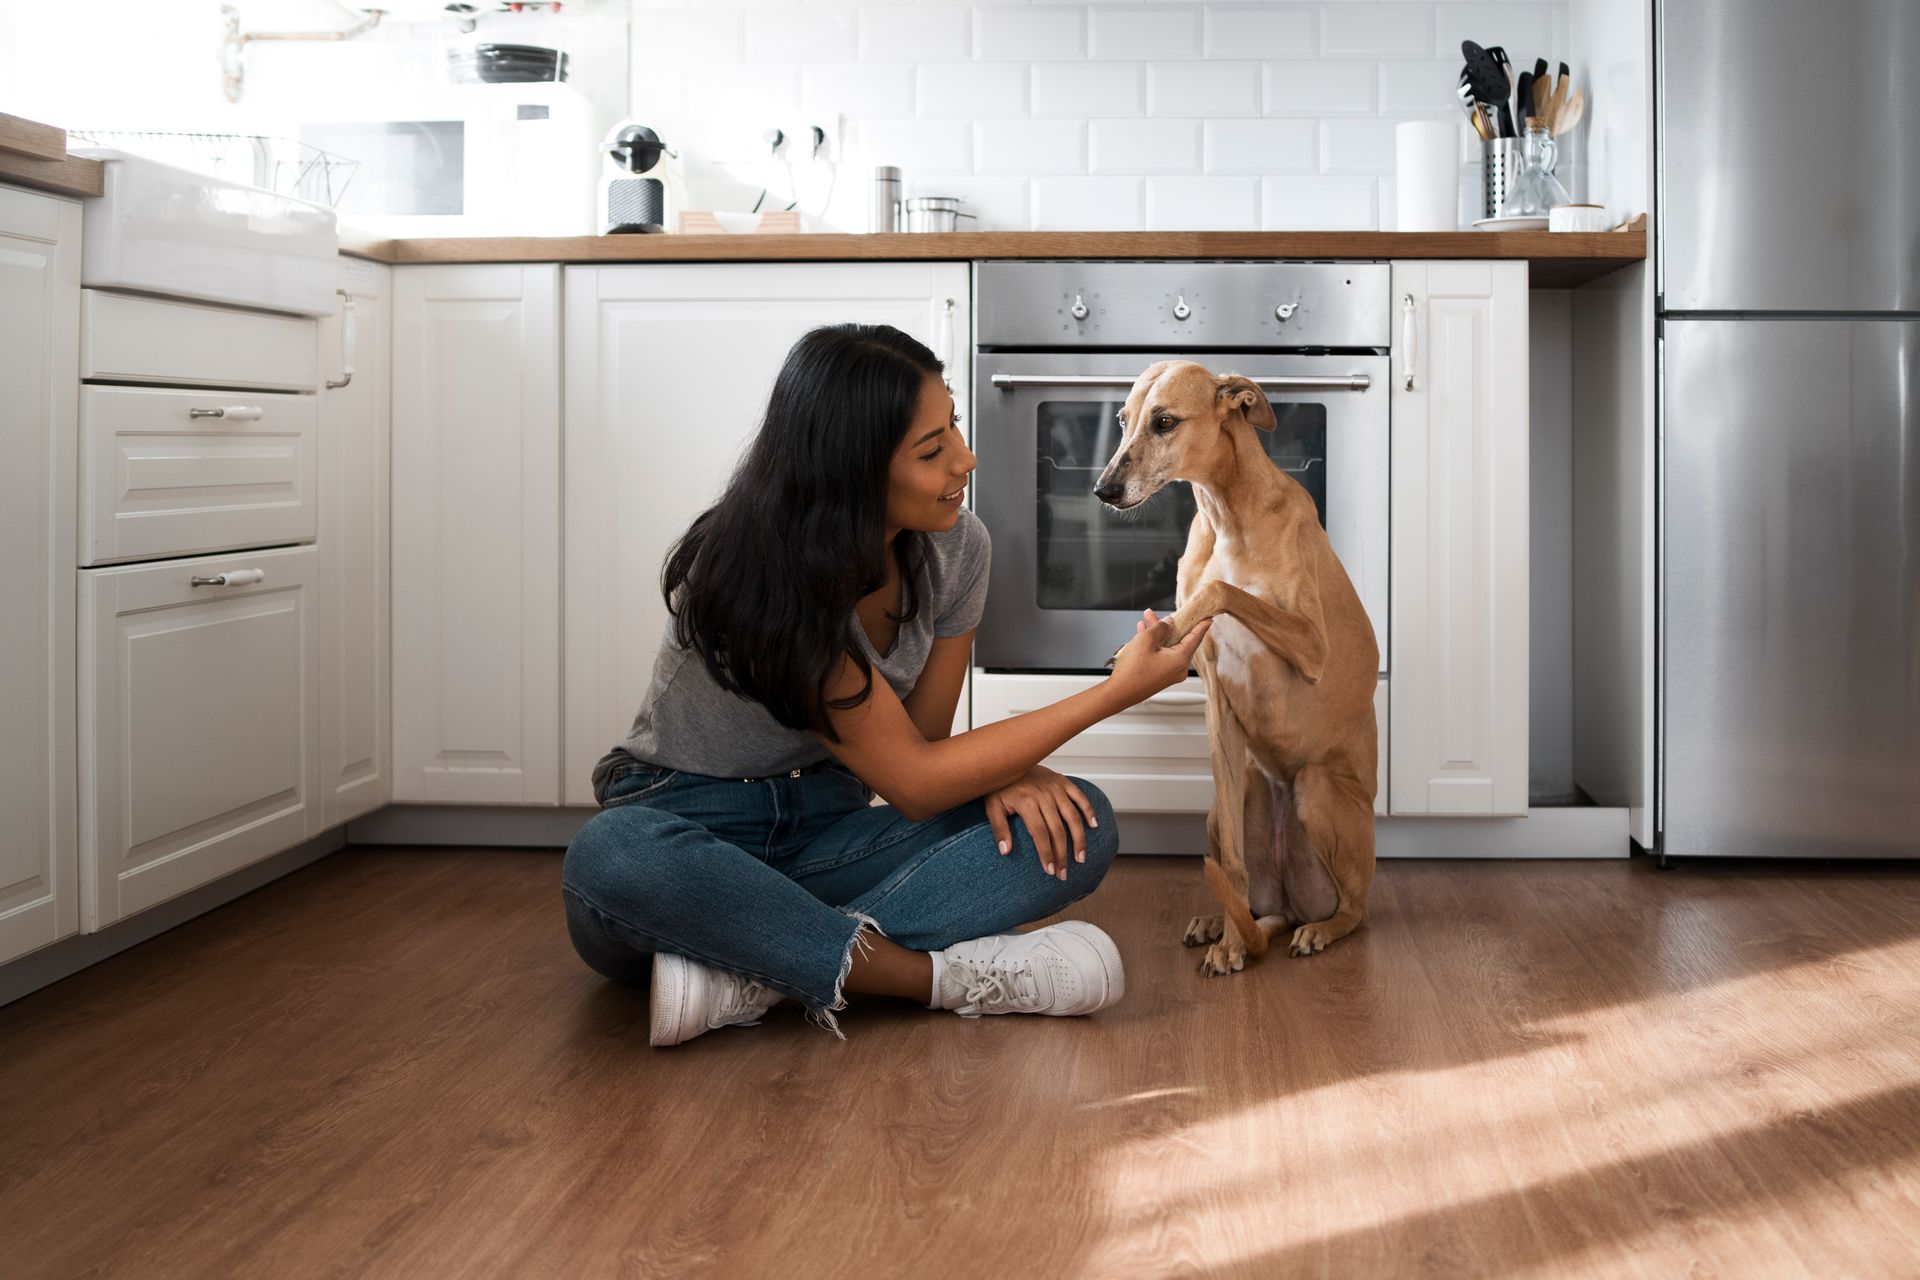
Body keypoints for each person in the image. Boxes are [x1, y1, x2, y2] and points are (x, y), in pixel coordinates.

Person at [561, 323, 1210, 1046]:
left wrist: (1008, 772)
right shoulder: (756, 568)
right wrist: (1115, 690)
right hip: (685, 822)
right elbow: (918, 781)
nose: (966, 458)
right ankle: (933, 980)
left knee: (1077, 823)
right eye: (932, 451)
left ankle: (749, 959)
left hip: (828, 833)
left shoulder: (958, 550)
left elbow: (923, 747)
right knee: (612, 856)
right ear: (852, 471)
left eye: (953, 425)